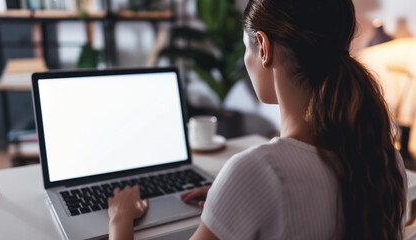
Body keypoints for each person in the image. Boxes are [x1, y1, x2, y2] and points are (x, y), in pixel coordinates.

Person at [108, 0, 407, 239]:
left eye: (245, 47)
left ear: (263, 48)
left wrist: (120, 219)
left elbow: (281, 184)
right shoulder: (385, 161)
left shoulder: (258, 171)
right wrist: (236, 199)